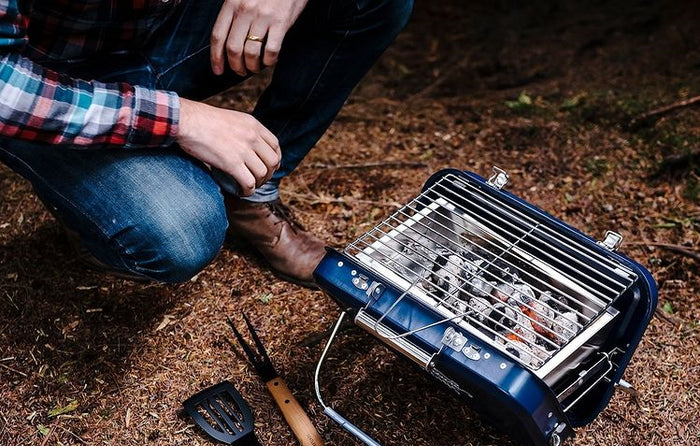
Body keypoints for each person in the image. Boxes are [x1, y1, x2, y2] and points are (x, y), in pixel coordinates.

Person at [0, 0, 413, 287]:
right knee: (181, 232)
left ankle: (247, 194)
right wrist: (182, 119)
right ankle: (97, 215)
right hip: (49, 78)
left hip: (158, 30)